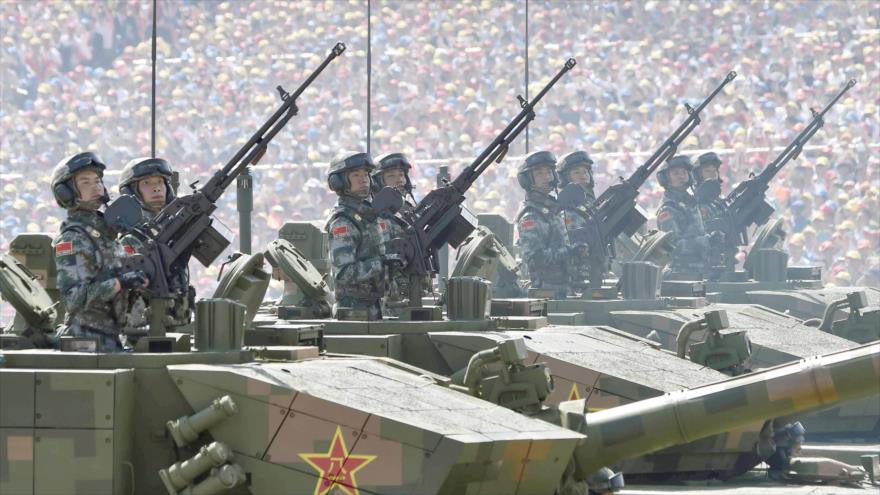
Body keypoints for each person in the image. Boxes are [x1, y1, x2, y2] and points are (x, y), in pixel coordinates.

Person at [51, 152, 149, 352]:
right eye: (85, 182)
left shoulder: (106, 235)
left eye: (97, 181)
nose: (96, 186)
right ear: (66, 193)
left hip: (110, 338)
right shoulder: (73, 239)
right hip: (86, 343)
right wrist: (120, 283)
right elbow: (74, 299)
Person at [117, 157, 194, 334]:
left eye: (160, 182)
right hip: (145, 328)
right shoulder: (131, 238)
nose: (156, 187)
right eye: (146, 183)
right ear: (131, 192)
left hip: (176, 321)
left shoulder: (171, 228)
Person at [325, 151, 400, 320]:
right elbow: (344, 274)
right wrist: (381, 263)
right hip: (355, 314)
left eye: (366, 174)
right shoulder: (343, 222)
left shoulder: (368, 216)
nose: (364, 179)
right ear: (339, 182)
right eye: (355, 175)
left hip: (376, 309)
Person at [514, 151, 571, 298]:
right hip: (546, 293)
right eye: (539, 174)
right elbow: (535, 259)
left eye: (549, 172)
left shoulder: (551, 209)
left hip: (563, 289)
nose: (546, 177)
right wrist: (569, 252)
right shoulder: (531, 215)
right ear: (527, 180)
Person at [655, 155, 716, 277]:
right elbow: (674, 247)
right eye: (676, 174)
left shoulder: (691, 201)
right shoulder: (668, 208)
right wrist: (706, 241)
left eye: (684, 172)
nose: (682, 176)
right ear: (666, 179)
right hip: (681, 272)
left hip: (701, 268)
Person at [373, 152, 418, 311]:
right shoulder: (377, 217)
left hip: (410, 294)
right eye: (391, 176)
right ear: (378, 182)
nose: (400, 179)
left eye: (402, 175)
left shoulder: (406, 212)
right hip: (390, 302)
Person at [557, 150, 597, 290]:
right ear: (565, 178)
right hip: (578, 272)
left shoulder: (591, 202)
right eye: (576, 172)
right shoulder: (567, 207)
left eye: (585, 172)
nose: (583, 175)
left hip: (595, 267)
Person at [693, 151, 735, 274]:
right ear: (697, 175)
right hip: (702, 265)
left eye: (714, 171)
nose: (712, 175)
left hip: (723, 261)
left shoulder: (719, 202)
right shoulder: (692, 203)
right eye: (707, 171)